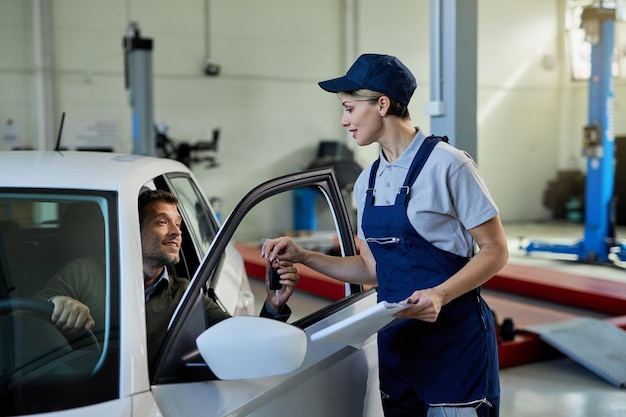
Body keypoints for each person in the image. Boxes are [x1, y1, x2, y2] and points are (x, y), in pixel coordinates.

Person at [261, 54, 508, 417]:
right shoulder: (367, 181)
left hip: (454, 345)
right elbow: (371, 268)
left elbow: (495, 250)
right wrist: (302, 256)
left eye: (349, 108)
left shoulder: (449, 165)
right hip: (398, 348)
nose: (344, 121)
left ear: (382, 103)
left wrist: (440, 293)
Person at [36, 189, 300, 365]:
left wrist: (273, 306)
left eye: (178, 224)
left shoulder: (186, 294)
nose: (176, 233)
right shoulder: (82, 272)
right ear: (132, 230)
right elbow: (23, 319)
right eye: (162, 222)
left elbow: (241, 342)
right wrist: (55, 304)